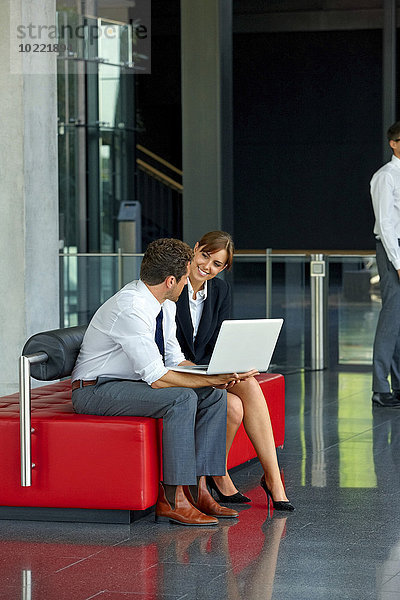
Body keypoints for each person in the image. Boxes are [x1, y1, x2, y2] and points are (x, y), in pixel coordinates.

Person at [71, 238, 256, 526]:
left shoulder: (163, 303)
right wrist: (212, 378)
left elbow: (174, 359)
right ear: (171, 280)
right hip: (96, 390)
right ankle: (173, 499)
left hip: (129, 384)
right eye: (184, 278)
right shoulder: (131, 308)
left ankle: (199, 488)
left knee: (213, 395)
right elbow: (157, 378)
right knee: (181, 398)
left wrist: (216, 377)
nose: (187, 285)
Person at [176, 231, 294, 511]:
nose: (207, 267)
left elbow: (220, 339)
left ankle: (273, 479)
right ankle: (219, 473)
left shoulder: (220, 291)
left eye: (217, 264)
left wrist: (234, 365)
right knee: (233, 408)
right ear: (195, 249)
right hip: (177, 372)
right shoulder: (172, 284)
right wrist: (209, 375)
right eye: (205, 256)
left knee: (249, 383)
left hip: (207, 369)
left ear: (224, 268)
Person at [370, 121, 400, 408]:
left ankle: (398, 384)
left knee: (398, 321)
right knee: (391, 320)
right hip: (394, 250)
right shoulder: (386, 176)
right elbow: (386, 225)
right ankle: (380, 387)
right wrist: (398, 262)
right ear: (393, 143)